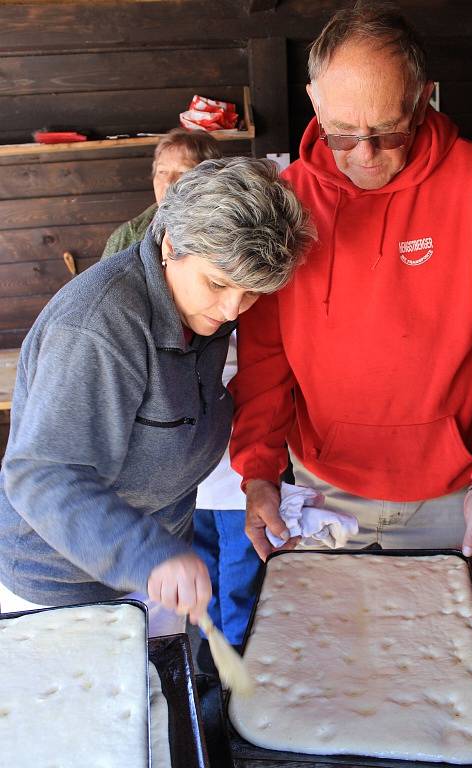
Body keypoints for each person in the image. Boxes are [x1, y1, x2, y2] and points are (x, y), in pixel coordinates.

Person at [230, 2, 472, 575]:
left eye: (388, 132)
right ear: (314, 101)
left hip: (454, 494)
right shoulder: (284, 203)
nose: (365, 155)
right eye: (343, 134)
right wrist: (259, 470)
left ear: (423, 97)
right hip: (320, 488)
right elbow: (264, 356)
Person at [0, 157, 314, 636]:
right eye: (218, 283)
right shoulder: (99, 326)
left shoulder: (199, 311)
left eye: (250, 292)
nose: (232, 308)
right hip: (59, 588)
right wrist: (150, 556)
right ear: (171, 245)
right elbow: (41, 475)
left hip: (151, 573)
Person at [101, 129, 261, 649]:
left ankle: (226, 659)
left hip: (224, 442)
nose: (170, 185)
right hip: (160, 457)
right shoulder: (124, 259)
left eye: (183, 173)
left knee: (234, 567)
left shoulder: (232, 250)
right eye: (162, 173)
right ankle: (209, 657)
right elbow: (48, 477)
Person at [102, 127, 221, 258]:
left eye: (183, 172)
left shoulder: (226, 233)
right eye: (162, 172)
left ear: (209, 178)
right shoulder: (126, 236)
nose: (168, 182)